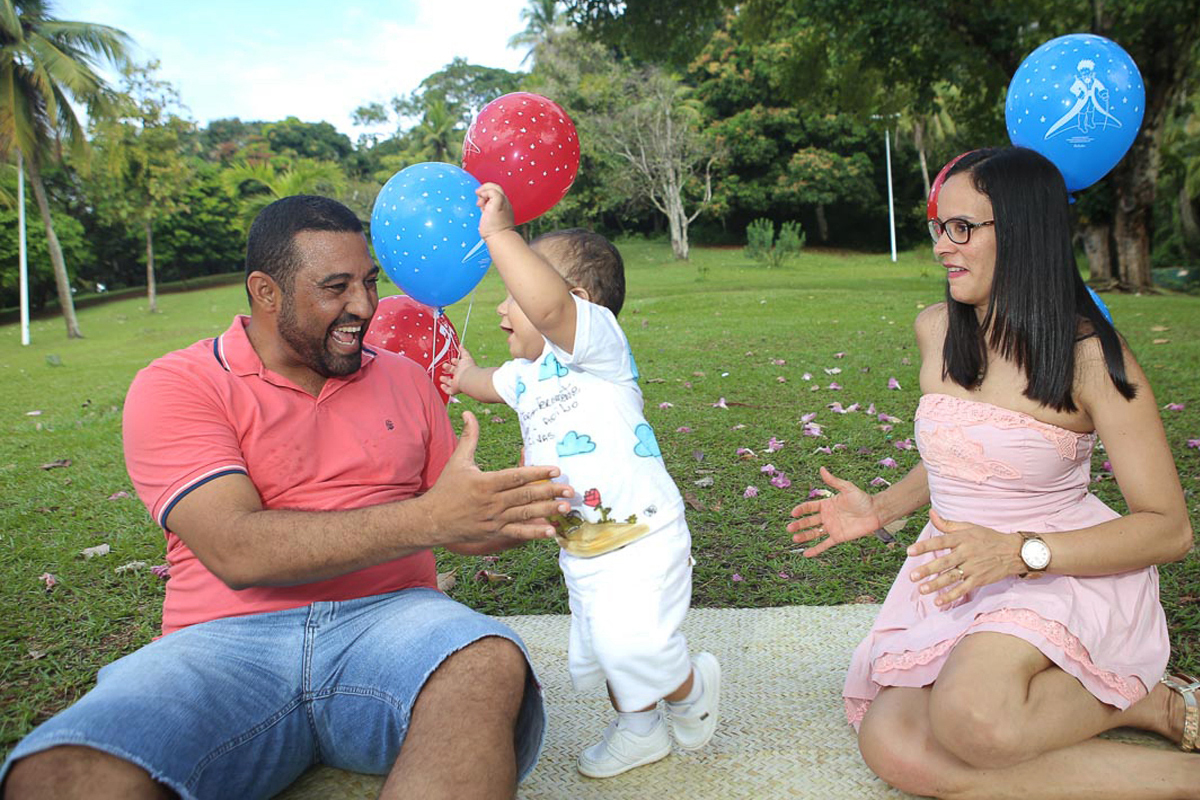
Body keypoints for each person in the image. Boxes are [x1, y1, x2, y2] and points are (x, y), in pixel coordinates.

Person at [1, 195, 578, 800]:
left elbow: (456, 526)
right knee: (58, 775)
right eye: (335, 287)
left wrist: (514, 506)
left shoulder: (406, 378)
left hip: (396, 623)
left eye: (368, 281)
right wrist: (429, 517)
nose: (364, 306)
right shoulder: (178, 384)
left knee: (486, 663)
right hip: (222, 644)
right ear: (265, 292)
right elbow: (237, 549)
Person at [788, 147, 1199, 799]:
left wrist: (1018, 554)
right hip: (956, 573)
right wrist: (882, 510)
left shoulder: (1089, 357)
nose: (943, 247)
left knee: (971, 717)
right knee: (891, 742)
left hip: (1059, 569)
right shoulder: (935, 331)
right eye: (938, 228)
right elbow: (966, 454)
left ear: (1024, 228)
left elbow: (1169, 529)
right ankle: (1168, 756)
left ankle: (1133, 701)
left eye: (963, 228)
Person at [440, 183, 721, 779]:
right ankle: (641, 731)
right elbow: (487, 381)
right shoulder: (526, 376)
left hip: (644, 535)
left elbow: (548, 311)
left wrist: (499, 235)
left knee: (634, 646)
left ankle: (691, 688)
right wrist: (462, 373)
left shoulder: (598, 349)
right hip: (584, 547)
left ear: (577, 301)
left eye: (512, 291)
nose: (501, 307)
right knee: (603, 651)